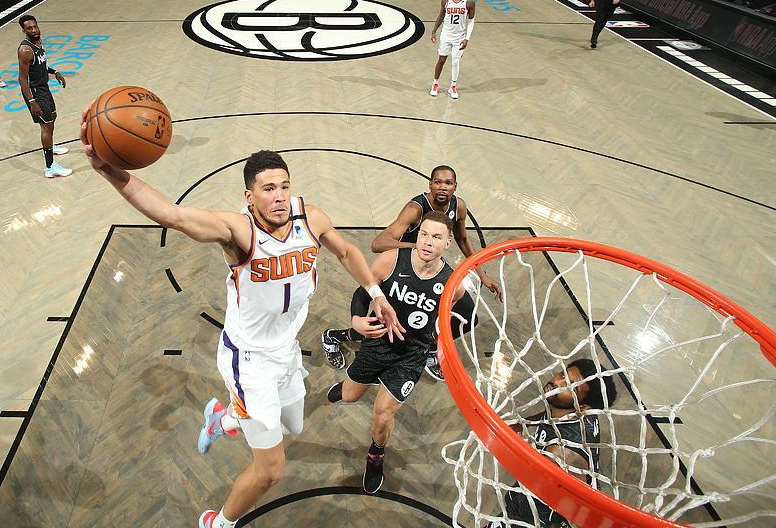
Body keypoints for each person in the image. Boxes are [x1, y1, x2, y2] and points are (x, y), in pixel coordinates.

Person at [77, 143, 402, 528]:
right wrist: (108, 170)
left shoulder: (311, 218)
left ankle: (222, 419)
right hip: (247, 360)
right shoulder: (237, 231)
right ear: (249, 196)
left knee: (292, 424)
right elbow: (173, 215)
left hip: (286, 349)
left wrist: (377, 294)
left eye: (284, 186)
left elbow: (347, 251)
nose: (279, 196)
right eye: (268, 189)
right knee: (270, 471)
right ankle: (219, 522)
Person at [325, 211, 465, 494]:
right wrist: (356, 319)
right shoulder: (391, 260)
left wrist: (438, 344)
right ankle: (349, 385)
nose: (427, 242)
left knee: (383, 414)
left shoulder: (454, 285)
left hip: (410, 356)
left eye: (436, 237)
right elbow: (364, 291)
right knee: (351, 395)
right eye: (423, 234)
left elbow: (449, 318)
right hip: (378, 344)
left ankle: (376, 455)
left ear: (448, 243)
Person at [322, 165, 502, 380]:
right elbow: (379, 243)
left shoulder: (458, 206)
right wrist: (416, 248)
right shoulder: (415, 208)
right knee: (380, 329)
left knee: (468, 316)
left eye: (448, 183)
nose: (442, 187)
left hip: (431, 272)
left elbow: (462, 239)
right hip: (402, 271)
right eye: (437, 182)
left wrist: (482, 275)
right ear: (430, 184)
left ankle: (431, 348)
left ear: (455, 186)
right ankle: (333, 337)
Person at [488, 358, 617, 528]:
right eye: (563, 374)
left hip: (537, 519)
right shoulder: (573, 409)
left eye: (571, 386)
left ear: (583, 406)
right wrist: (522, 424)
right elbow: (549, 414)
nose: (557, 382)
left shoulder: (561, 454)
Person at [17, 14, 71, 178]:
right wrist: (32, 101)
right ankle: (50, 167)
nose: (34, 30)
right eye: (29, 28)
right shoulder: (25, 50)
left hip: (44, 87)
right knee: (46, 125)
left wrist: (54, 72)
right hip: (34, 91)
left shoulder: (38, 43)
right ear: (23, 30)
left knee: (52, 116)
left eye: (35, 26)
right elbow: (21, 78)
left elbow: (42, 64)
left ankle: (50, 147)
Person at [429, 0, 476, 100]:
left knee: (455, 62)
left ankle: (453, 86)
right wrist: (434, 31)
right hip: (446, 35)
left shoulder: (469, 2)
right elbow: (440, 16)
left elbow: (471, 21)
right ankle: (435, 84)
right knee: (441, 59)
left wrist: (467, 38)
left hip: (459, 37)